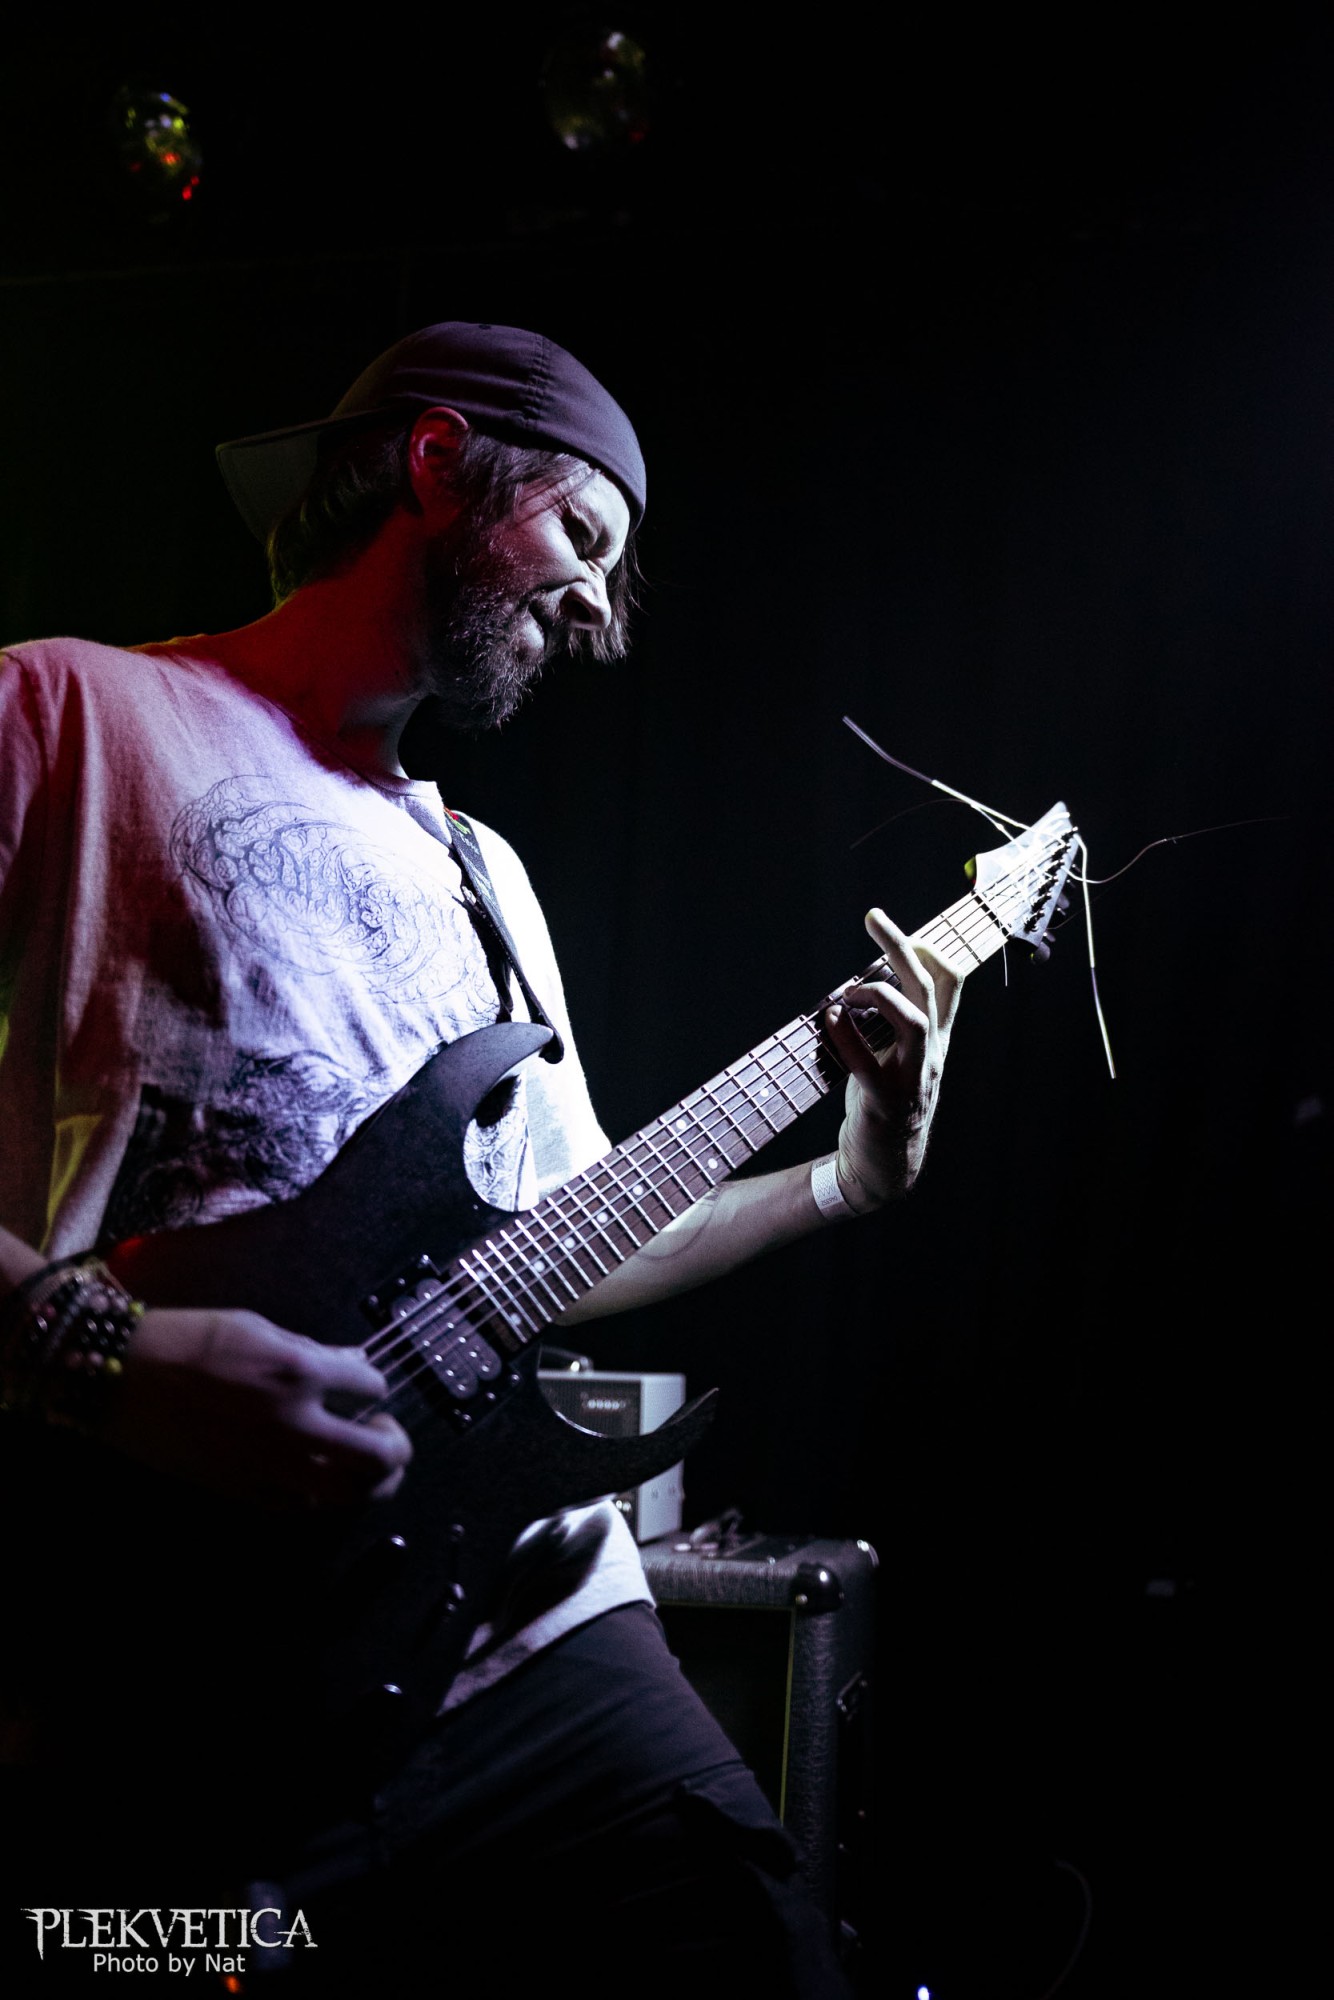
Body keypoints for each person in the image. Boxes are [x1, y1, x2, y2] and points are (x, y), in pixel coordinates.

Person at [0, 322, 961, 1995]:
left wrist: (845, 1179)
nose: (598, 610)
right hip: (156, 1634)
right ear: (439, 461)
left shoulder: (482, 873)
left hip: (528, 1627)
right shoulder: (65, 706)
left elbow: (560, 1240)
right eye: (581, 533)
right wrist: (99, 1355)